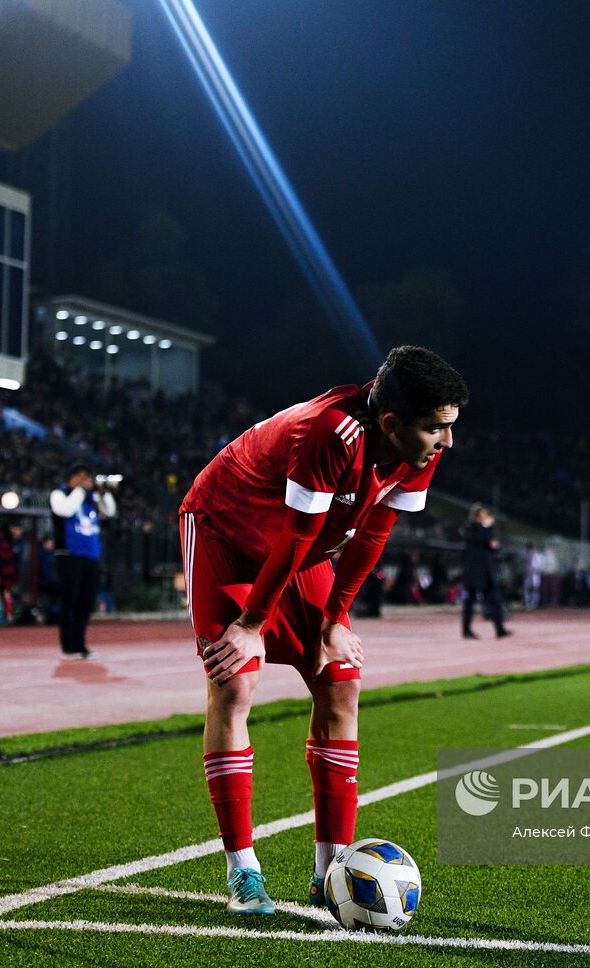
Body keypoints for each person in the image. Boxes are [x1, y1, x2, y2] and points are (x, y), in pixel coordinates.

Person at [177, 345, 466, 916]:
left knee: (341, 679)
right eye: (436, 428)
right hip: (225, 535)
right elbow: (298, 535)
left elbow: (373, 534)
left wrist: (334, 621)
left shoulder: (419, 449)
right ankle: (243, 872)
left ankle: (331, 872)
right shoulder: (329, 432)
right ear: (391, 423)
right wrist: (252, 625)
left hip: (299, 553)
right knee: (234, 682)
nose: (446, 442)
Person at [50, 465, 117, 658]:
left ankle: (80, 644)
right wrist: (80, 490)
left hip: (91, 555)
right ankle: (68, 646)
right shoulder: (60, 493)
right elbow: (64, 510)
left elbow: (110, 511)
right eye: (82, 477)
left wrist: (103, 493)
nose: (87, 481)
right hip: (68, 555)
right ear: (72, 477)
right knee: (69, 600)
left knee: (85, 602)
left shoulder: (91, 498)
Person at [461, 505, 511, 639]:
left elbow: (494, 547)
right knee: (470, 601)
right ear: (477, 516)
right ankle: (466, 629)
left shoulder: (486, 530)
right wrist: (485, 527)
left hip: (487, 572)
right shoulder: (471, 529)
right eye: (483, 515)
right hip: (474, 572)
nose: (485, 518)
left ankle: (500, 629)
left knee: (495, 600)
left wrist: (488, 533)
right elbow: (482, 540)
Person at [522, 543, 545, 611]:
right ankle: (529, 605)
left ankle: (533, 605)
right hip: (530, 574)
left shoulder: (537, 555)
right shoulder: (527, 555)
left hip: (534, 574)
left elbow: (539, 565)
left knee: (534, 589)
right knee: (529, 589)